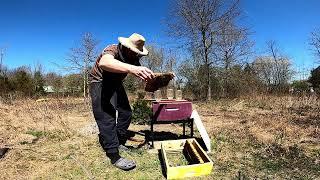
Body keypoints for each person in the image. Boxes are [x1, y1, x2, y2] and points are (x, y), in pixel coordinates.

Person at [89, 33, 154, 170]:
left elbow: (141, 73)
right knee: (107, 117)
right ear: (127, 48)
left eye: (139, 54)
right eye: (136, 52)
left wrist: (153, 80)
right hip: (99, 82)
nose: (137, 56)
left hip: (115, 83)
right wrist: (132, 68)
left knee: (126, 113)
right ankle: (114, 156)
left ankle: (117, 141)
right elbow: (105, 62)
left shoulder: (133, 57)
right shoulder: (112, 49)